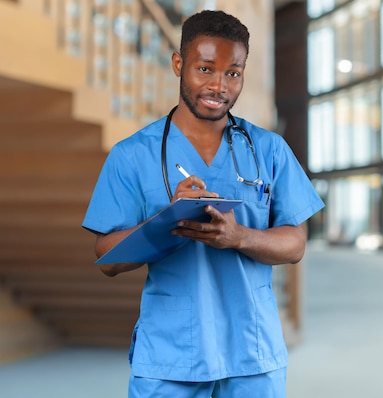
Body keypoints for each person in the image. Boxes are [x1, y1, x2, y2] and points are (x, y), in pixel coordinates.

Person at [82, 9, 324, 398]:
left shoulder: (269, 149)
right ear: (179, 64)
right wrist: (167, 222)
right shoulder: (132, 155)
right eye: (205, 69)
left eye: (233, 73)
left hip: (252, 353)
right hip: (170, 354)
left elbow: (295, 244)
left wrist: (239, 237)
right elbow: (108, 258)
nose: (219, 85)